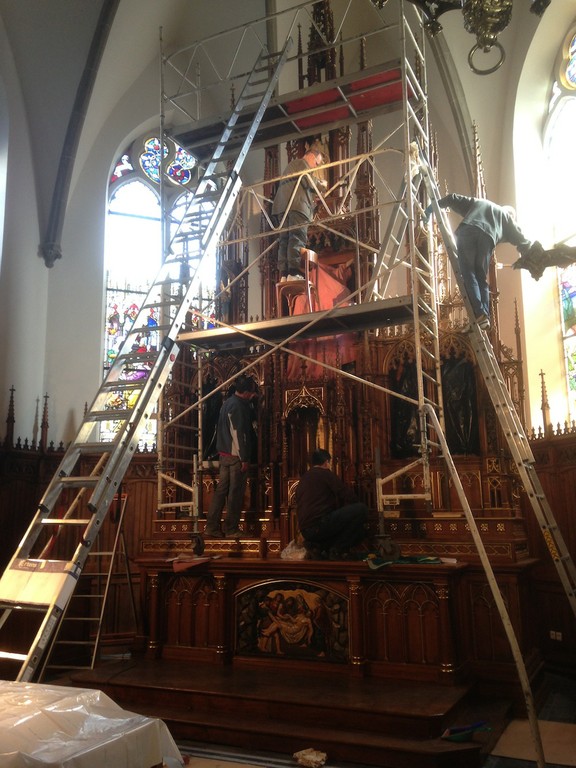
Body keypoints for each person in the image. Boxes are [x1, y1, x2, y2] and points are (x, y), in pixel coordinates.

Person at [425, 194, 532, 330]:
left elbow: (452, 198)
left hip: (469, 231)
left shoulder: (482, 202)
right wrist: (530, 258)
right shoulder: (506, 218)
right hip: (487, 240)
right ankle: (483, 315)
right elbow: (523, 240)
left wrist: (431, 208)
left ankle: (480, 314)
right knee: (481, 277)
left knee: (469, 273)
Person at [204, 375, 257, 539]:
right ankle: (231, 529)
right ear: (246, 392)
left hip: (223, 455)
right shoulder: (238, 406)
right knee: (235, 493)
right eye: (252, 392)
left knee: (221, 491)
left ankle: (211, 527)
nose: (253, 395)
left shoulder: (227, 403)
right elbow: (238, 433)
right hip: (235, 457)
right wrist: (244, 458)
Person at [295, 448, 369, 560]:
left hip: (305, 531)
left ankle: (319, 546)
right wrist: (357, 503)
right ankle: (337, 549)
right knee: (361, 510)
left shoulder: (304, 478)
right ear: (326, 462)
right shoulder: (325, 473)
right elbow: (345, 493)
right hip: (319, 525)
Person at [271, 145, 326, 282]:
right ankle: (293, 272)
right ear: (311, 156)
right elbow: (309, 179)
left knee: (284, 241)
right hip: (297, 207)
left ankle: (284, 275)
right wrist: (322, 185)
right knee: (297, 238)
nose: (315, 167)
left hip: (282, 208)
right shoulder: (302, 163)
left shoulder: (292, 166)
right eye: (316, 163)